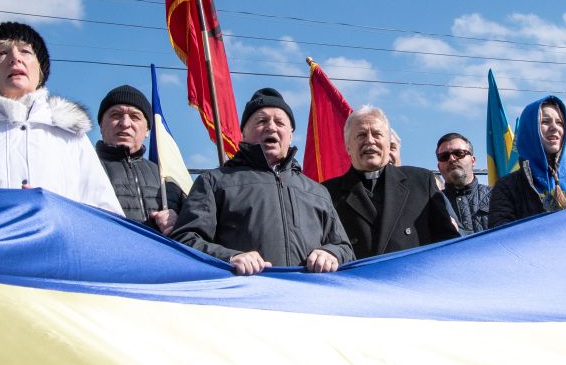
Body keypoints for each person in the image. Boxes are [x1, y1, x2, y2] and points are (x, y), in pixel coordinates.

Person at [0, 22, 121, 213]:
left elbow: (105, 215)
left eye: (25, 51)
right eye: (2, 53)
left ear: (41, 70)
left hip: (55, 246)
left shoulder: (71, 137)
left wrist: (57, 213)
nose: (15, 58)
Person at [172, 87, 353, 275]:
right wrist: (229, 258)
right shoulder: (214, 182)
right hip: (245, 300)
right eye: (262, 121)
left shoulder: (317, 192)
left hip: (306, 300)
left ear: (290, 135)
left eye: (280, 122)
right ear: (243, 132)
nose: (271, 127)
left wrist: (331, 253)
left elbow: (345, 249)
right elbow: (185, 240)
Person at [324, 106, 459, 258]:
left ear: (388, 144)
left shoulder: (421, 182)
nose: (370, 140)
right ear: (348, 147)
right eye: (361, 135)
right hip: (357, 280)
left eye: (377, 134)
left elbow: (448, 245)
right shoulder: (326, 193)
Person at [488, 95, 566, 227]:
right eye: (545, 122)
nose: (555, 128)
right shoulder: (507, 187)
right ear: (529, 130)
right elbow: (502, 239)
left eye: (560, 123)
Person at [95, 85, 185, 234]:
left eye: (135, 117)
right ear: (101, 125)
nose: (125, 123)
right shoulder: (84, 167)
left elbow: (196, 229)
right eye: (116, 115)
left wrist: (180, 221)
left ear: (148, 130)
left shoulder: (167, 177)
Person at [436, 132, 491, 233]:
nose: (451, 159)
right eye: (444, 156)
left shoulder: (497, 196)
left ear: (473, 160)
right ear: (439, 167)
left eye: (459, 153)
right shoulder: (431, 204)